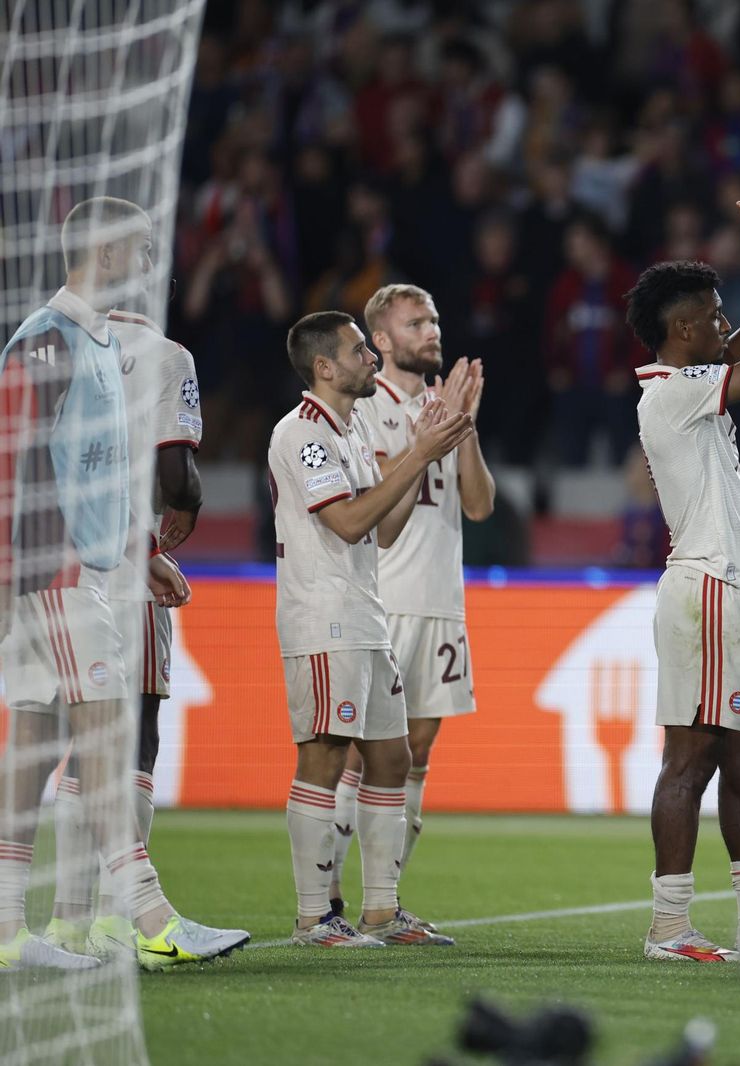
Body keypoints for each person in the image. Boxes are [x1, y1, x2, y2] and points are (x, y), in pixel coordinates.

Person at [0, 196, 248, 970]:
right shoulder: (45, 342)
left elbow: (91, 475)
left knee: (36, 749)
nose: (149, 266)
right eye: (139, 250)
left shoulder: (100, 342)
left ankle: (8, 930)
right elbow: (15, 467)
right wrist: (31, 578)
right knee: (107, 740)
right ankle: (150, 918)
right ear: (103, 254)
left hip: (91, 570)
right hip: (59, 577)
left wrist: (141, 554)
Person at [627, 168, 740, 962]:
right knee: (691, 758)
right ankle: (668, 927)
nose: (724, 324)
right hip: (705, 591)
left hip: (739, 590)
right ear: (683, 334)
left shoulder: (696, 380)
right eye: (711, 317)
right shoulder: (672, 393)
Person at [269, 310, 472, 948]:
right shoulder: (303, 434)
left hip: (365, 614)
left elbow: (383, 527)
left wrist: (423, 450)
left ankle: (382, 911)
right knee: (325, 756)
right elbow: (349, 524)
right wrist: (419, 452)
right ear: (324, 367)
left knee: (392, 756)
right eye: (360, 351)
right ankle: (313, 917)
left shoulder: (349, 430)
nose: (371, 360)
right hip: (324, 617)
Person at [38, 298, 207, 960]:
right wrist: (182, 512)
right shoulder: (167, 356)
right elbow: (175, 470)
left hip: (52, 567)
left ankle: (66, 922)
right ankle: (118, 917)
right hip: (123, 562)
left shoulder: (48, 345)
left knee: (70, 737)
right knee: (132, 735)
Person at [324, 285, 496, 922]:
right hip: (384, 599)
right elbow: (376, 514)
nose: (432, 329)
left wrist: (463, 427)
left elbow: (478, 505)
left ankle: (385, 906)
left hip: (441, 602)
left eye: (435, 318)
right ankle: (329, 899)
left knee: (416, 753)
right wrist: (424, 441)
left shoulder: (443, 405)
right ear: (384, 341)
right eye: (416, 321)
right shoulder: (367, 408)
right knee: (358, 754)